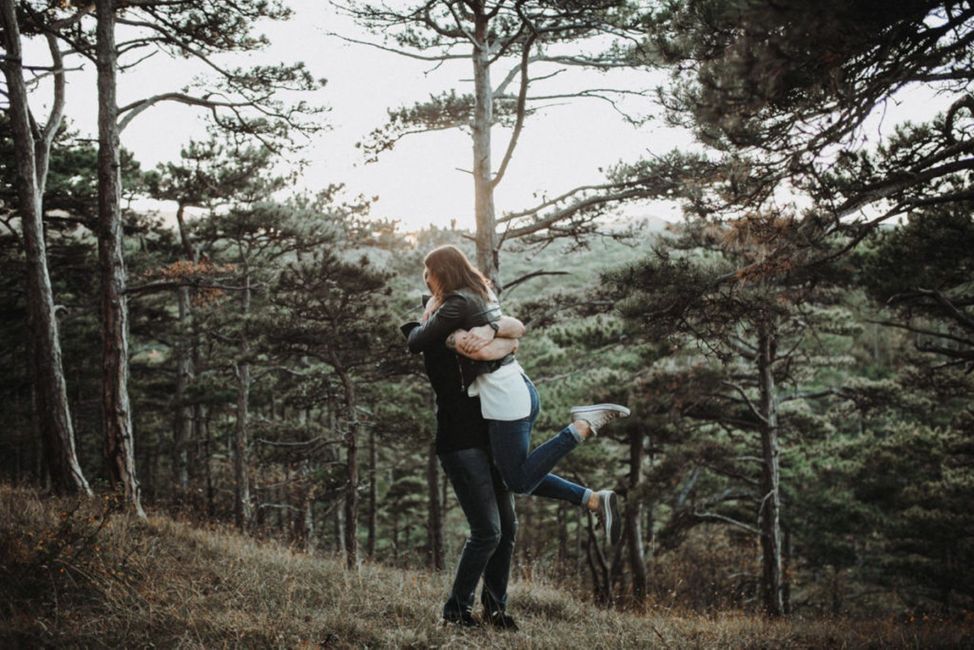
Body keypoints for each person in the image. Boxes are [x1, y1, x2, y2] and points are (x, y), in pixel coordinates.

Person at [405, 245, 629, 546]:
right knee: (516, 472)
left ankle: (581, 426)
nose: (425, 279)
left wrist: (430, 323)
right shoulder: (482, 292)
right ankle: (593, 500)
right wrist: (505, 340)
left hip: (505, 397)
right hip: (519, 388)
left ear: (442, 274)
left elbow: (418, 341)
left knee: (518, 480)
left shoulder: (456, 304)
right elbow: (516, 327)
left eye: (429, 274)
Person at [400, 298, 523, 629]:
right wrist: (496, 336)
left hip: (490, 439)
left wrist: (493, 330)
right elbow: (504, 342)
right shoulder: (438, 337)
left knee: (507, 529)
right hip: (460, 443)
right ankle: (456, 612)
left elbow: (515, 332)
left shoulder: (468, 331)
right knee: (488, 531)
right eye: (441, 310)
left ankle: (495, 609)